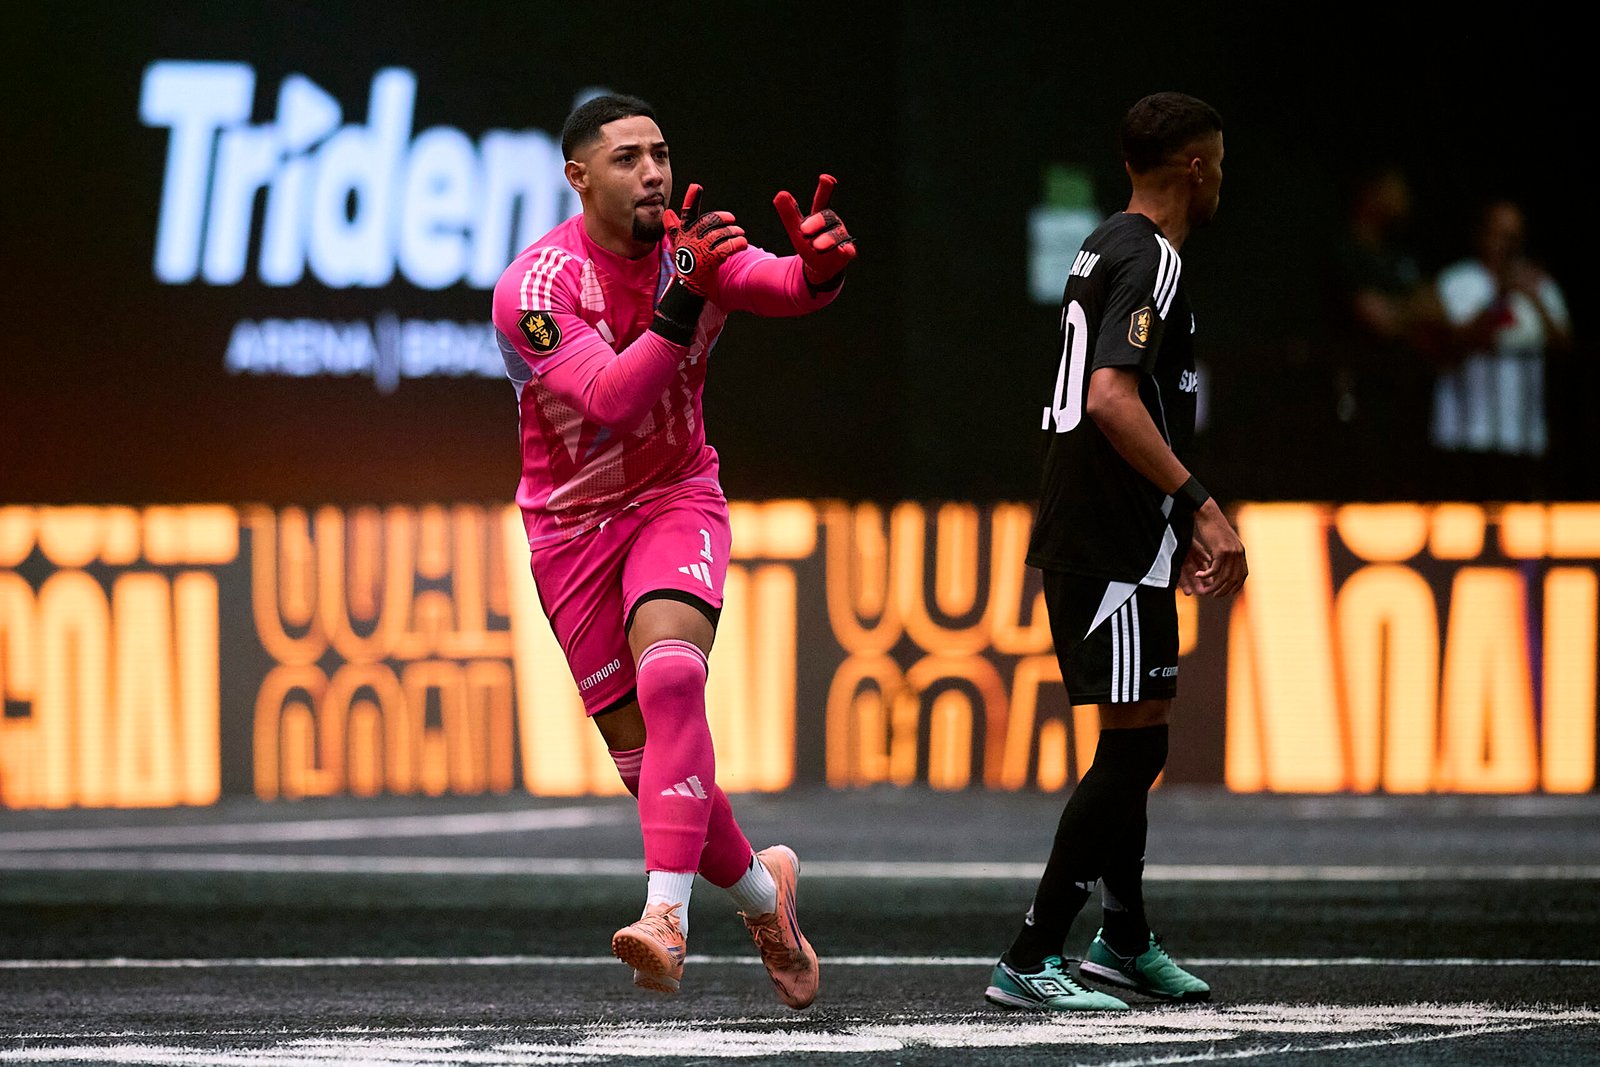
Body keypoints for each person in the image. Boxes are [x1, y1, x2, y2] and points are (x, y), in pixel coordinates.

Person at [490, 94, 855, 1007]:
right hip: (570, 532)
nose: (653, 172)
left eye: (659, 153)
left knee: (673, 677)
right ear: (579, 178)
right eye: (627, 159)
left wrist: (818, 272)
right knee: (643, 759)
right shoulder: (533, 288)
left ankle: (665, 916)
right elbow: (611, 400)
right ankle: (767, 896)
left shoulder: (694, 252)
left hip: (674, 497)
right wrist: (686, 293)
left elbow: (780, 283)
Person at [986, 92, 1246, 1014]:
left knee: (1136, 735)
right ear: (1196, 168)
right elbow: (1109, 395)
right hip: (1109, 533)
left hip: (1103, 528)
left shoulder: (1102, 243)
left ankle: (1125, 939)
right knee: (1135, 747)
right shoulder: (1153, 256)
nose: (1222, 181)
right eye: (1221, 165)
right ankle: (1032, 950)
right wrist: (1198, 505)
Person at [1429, 199, 1572, 500]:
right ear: (1481, 235)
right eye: (1500, 235)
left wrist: (1534, 297)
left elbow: (1564, 346)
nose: (1507, 245)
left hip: (1524, 433)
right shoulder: (1459, 281)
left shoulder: (1537, 282)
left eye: (1514, 237)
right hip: (1468, 433)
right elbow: (1456, 342)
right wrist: (1502, 295)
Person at [1324, 165, 1449, 500]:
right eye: (1396, 189)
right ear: (1373, 192)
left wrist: (1401, 311)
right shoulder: (1347, 250)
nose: (1404, 199)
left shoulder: (1402, 253)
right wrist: (1409, 312)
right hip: (1360, 393)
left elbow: (1437, 312)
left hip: (1406, 395)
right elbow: (1377, 317)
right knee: (1366, 479)